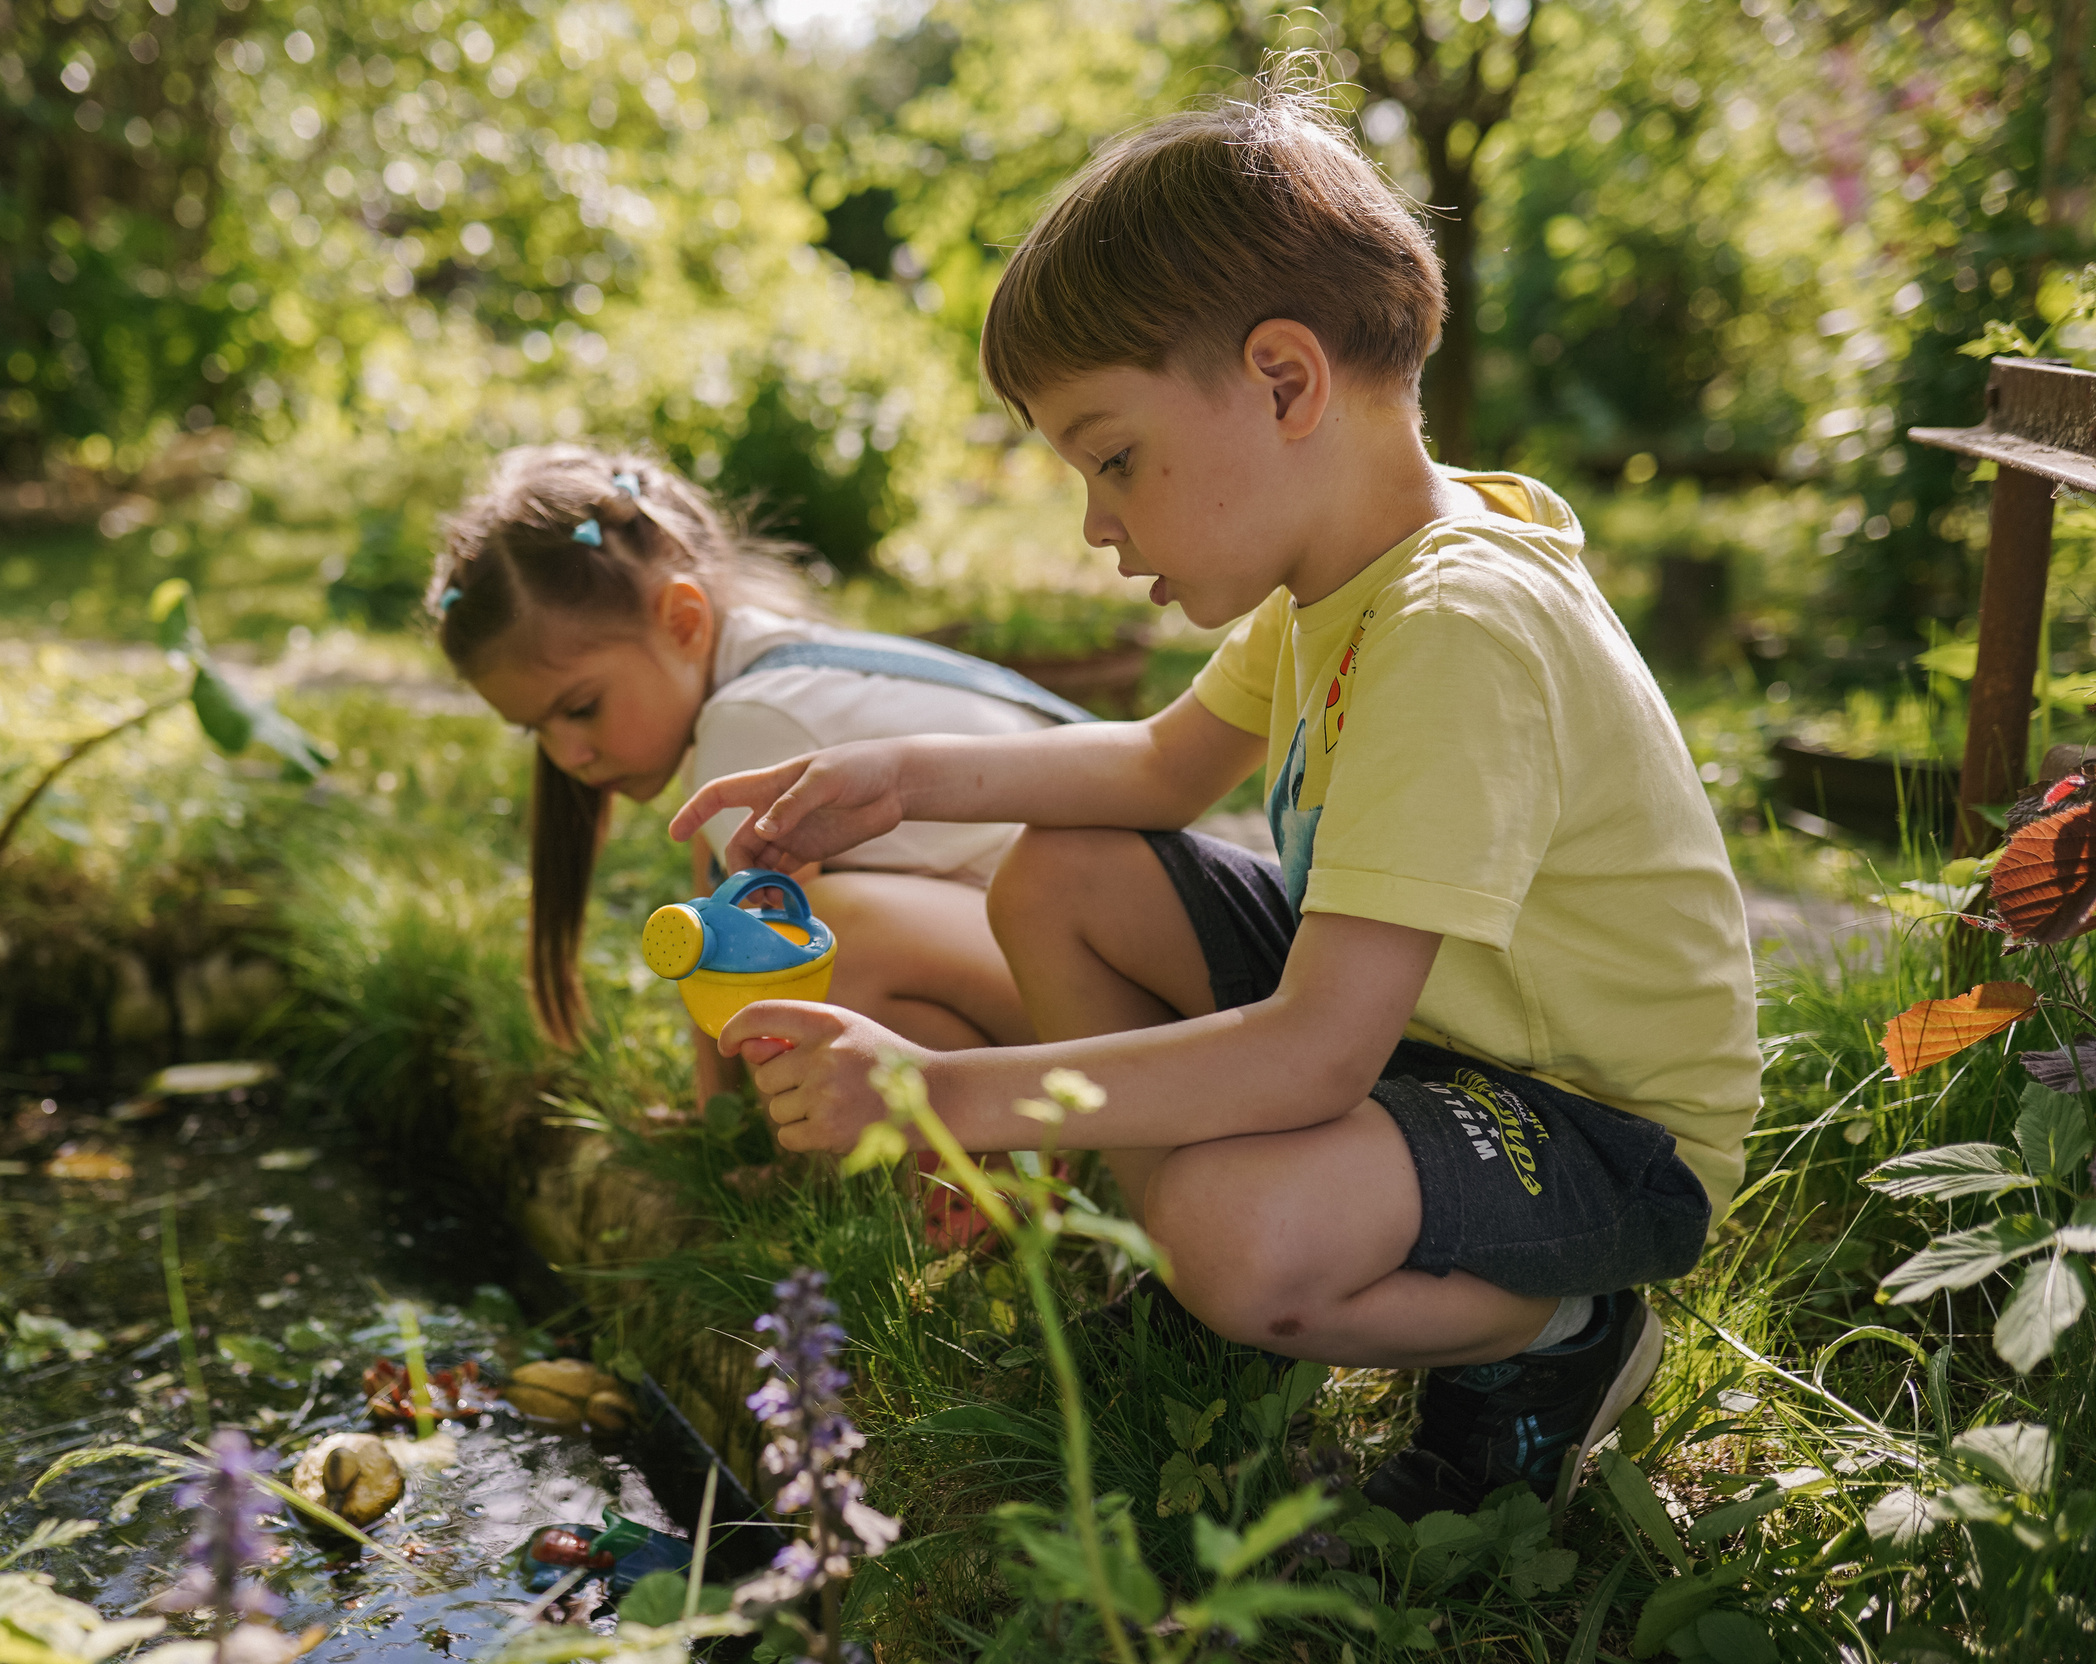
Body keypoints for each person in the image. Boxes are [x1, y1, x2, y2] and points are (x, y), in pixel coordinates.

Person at [669, 87, 1760, 1520]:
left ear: (1285, 382)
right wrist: (898, 778)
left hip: (1598, 1133)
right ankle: (1170, 1264)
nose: (1096, 521)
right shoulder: (1346, 571)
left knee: (1233, 1234)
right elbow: (1155, 770)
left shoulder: (1456, 625)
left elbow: (1312, 1053)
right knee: (1062, 872)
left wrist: (939, 1092)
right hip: (1437, 1040)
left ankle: (1565, 1332)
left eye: (1112, 455)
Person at [427, 443, 1098, 1109]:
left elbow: (771, 975)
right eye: (537, 729)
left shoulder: (746, 721)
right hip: (1103, 955)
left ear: (682, 622)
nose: (566, 754)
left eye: (580, 708)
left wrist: (773, 1148)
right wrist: (710, 1106)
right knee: (829, 948)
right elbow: (715, 915)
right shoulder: (765, 668)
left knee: (831, 942)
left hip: (1114, 987)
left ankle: (979, 1179)